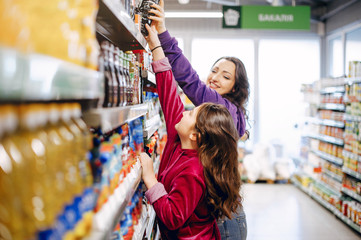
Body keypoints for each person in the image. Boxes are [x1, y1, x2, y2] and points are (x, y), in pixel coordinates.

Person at [146, 1, 250, 239]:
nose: (214, 78)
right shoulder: (201, 127)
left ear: (236, 87)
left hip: (225, 220)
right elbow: (171, 96)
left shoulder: (221, 110)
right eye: (214, 70)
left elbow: (189, 81)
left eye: (225, 76)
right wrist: (155, 47)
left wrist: (162, 34)